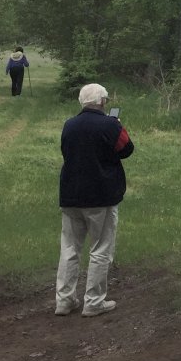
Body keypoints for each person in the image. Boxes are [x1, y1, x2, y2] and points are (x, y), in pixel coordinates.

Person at [55, 83, 135, 317]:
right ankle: (94, 301)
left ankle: (64, 299)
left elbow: (66, 152)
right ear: (102, 102)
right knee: (100, 249)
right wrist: (119, 127)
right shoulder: (110, 125)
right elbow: (127, 149)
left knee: (69, 248)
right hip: (101, 195)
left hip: (70, 194)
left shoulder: (69, 125)